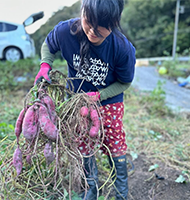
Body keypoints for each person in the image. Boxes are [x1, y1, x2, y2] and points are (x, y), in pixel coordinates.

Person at [34, 0, 136, 199]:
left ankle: (121, 191)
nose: (92, 32)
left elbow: (124, 83)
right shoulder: (67, 31)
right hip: (77, 103)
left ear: (114, 23)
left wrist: (100, 95)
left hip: (109, 103)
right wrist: (45, 65)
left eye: (101, 29)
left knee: (114, 143)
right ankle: (90, 189)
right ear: (83, 12)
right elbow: (49, 43)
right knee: (82, 144)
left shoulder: (122, 48)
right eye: (88, 22)